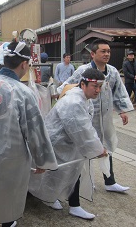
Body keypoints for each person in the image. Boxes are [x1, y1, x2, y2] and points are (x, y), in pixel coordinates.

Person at [0, 41, 58, 227]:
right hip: (10, 159)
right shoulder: (24, 93)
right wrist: (42, 160)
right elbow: (36, 131)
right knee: (7, 199)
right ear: (24, 64)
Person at [29, 68, 108, 220]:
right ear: (83, 84)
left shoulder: (83, 99)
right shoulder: (73, 101)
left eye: (100, 86)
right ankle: (50, 198)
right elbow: (83, 129)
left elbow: (86, 127)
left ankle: (70, 203)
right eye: (95, 86)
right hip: (58, 143)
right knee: (54, 174)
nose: (98, 90)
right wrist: (98, 149)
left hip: (69, 144)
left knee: (70, 173)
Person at [57, 39, 134, 193]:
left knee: (106, 147)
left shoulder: (112, 72)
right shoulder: (83, 71)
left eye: (108, 51)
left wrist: (122, 111)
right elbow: (66, 87)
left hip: (104, 117)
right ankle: (85, 181)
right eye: (103, 51)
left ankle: (110, 181)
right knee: (85, 148)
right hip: (86, 117)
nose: (107, 54)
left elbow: (119, 91)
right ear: (93, 54)